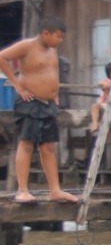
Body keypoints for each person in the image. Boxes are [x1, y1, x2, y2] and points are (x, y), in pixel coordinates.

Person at [0, 16, 77, 203]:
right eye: (58, 36)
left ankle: (55, 190)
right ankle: (23, 190)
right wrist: (17, 85)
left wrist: (54, 92)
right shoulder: (27, 46)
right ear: (46, 33)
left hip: (48, 104)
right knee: (27, 143)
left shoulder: (52, 50)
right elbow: (2, 57)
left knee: (49, 147)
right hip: (29, 102)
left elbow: (52, 71)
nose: (60, 40)